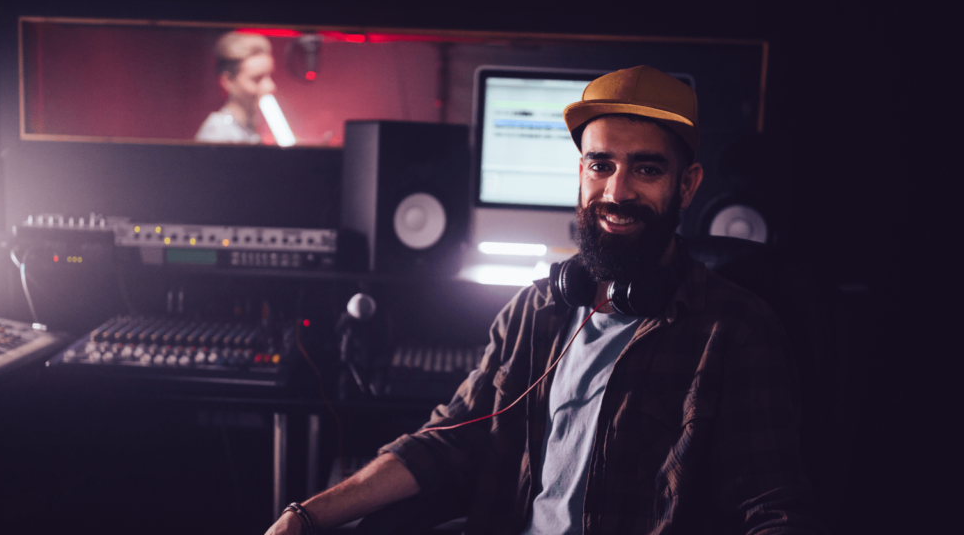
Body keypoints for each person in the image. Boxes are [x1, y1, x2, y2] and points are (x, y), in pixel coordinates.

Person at [266, 66, 824, 535]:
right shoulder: (537, 310)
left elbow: (772, 510)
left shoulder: (734, 330)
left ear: (687, 185)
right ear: (581, 173)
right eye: (601, 165)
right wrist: (306, 516)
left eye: (647, 169)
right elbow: (448, 440)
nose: (617, 191)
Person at [195, 31, 276, 144]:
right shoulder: (217, 134)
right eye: (256, 79)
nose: (270, 86)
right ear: (228, 81)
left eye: (270, 76)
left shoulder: (254, 129)